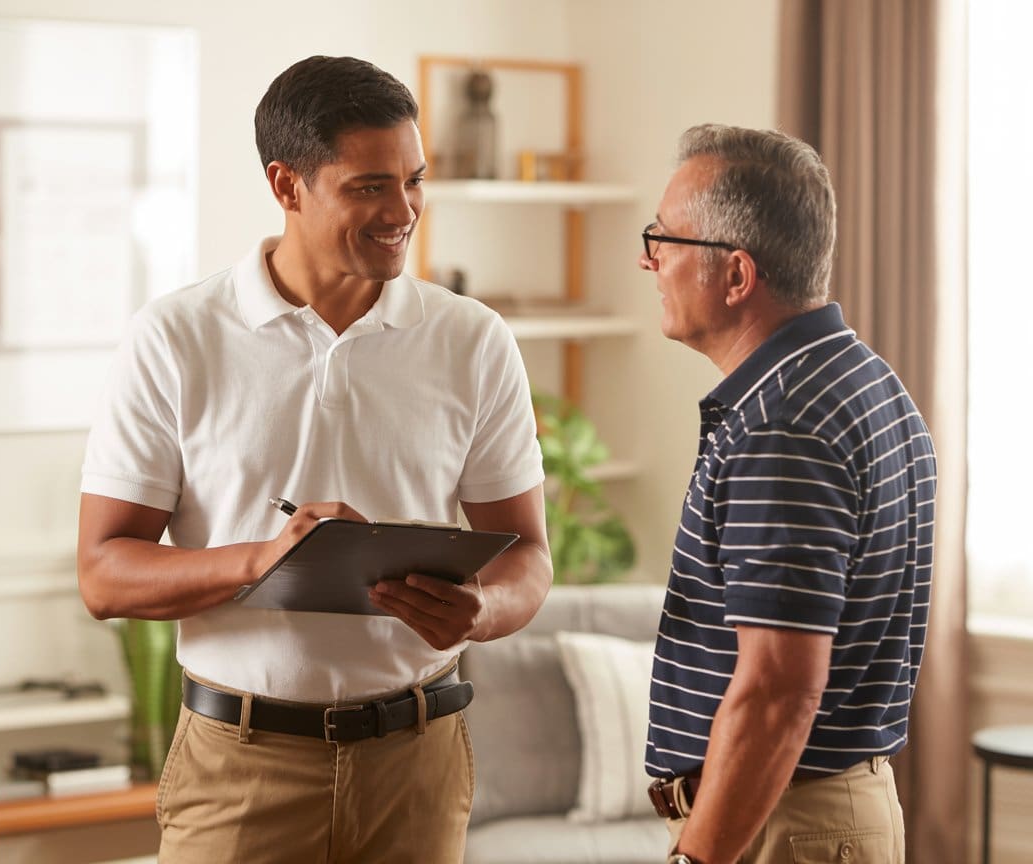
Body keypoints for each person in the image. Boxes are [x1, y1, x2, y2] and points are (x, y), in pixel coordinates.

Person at [77, 55, 552, 864]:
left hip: (418, 767)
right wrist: (262, 560)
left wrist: (483, 611)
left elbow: (530, 558)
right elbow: (103, 574)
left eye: (415, 180)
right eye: (369, 186)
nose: (403, 211)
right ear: (287, 185)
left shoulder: (473, 341)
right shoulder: (175, 338)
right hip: (239, 771)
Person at [638, 124, 937, 864]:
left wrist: (694, 859)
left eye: (665, 239)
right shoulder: (863, 381)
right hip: (812, 814)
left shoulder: (782, 425)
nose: (649, 259)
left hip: (780, 825)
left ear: (737, 275)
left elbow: (778, 690)